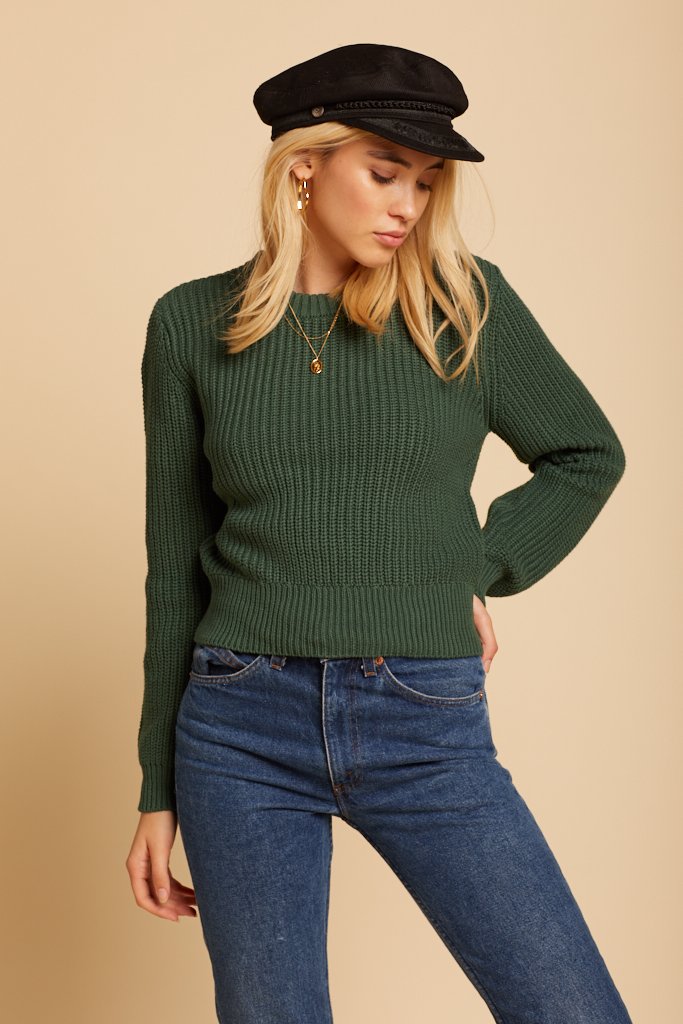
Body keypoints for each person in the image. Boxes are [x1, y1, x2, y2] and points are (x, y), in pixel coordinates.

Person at [125, 43, 634, 1024]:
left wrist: (472, 566)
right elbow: (172, 571)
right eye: (385, 172)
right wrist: (156, 787)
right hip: (236, 725)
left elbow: (585, 453)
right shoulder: (190, 324)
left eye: (425, 181)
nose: (407, 204)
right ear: (304, 167)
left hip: (419, 712)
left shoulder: (462, 302)